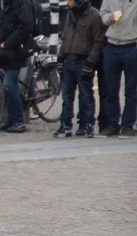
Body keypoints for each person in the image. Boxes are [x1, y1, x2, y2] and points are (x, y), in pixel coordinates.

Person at [54, 0, 105, 138]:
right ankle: (65, 124)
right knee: (67, 96)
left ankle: (87, 124)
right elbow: (65, 38)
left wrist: (90, 63)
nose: (67, 2)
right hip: (68, 60)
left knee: (86, 95)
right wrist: (60, 58)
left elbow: (98, 41)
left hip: (83, 61)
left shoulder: (94, 15)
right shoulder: (70, 14)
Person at [0, 0, 33, 133]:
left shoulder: (20, 4)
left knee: (9, 85)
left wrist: (7, 43)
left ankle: (18, 120)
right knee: (8, 86)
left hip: (16, 51)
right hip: (6, 51)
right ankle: (10, 119)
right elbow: (2, 26)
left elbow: (26, 27)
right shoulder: (4, 4)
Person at [98, 0, 137, 138]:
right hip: (112, 45)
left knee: (131, 89)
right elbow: (102, 15)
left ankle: (128, 124)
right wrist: (109, 18)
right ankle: (112, 123)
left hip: (132, 45)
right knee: (110, 88)